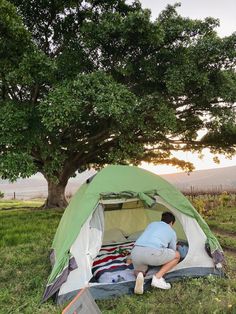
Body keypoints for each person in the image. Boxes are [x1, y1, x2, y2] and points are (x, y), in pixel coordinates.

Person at [131, 211, 180, 294]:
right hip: (152, 253)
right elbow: (172, 250)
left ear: (161, 219)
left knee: (140, 269)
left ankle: (140, 275)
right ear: (171, 223)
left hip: (135, 252)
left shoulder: (152, 224)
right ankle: (157, 278)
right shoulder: (171, 231)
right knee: (177, 255)